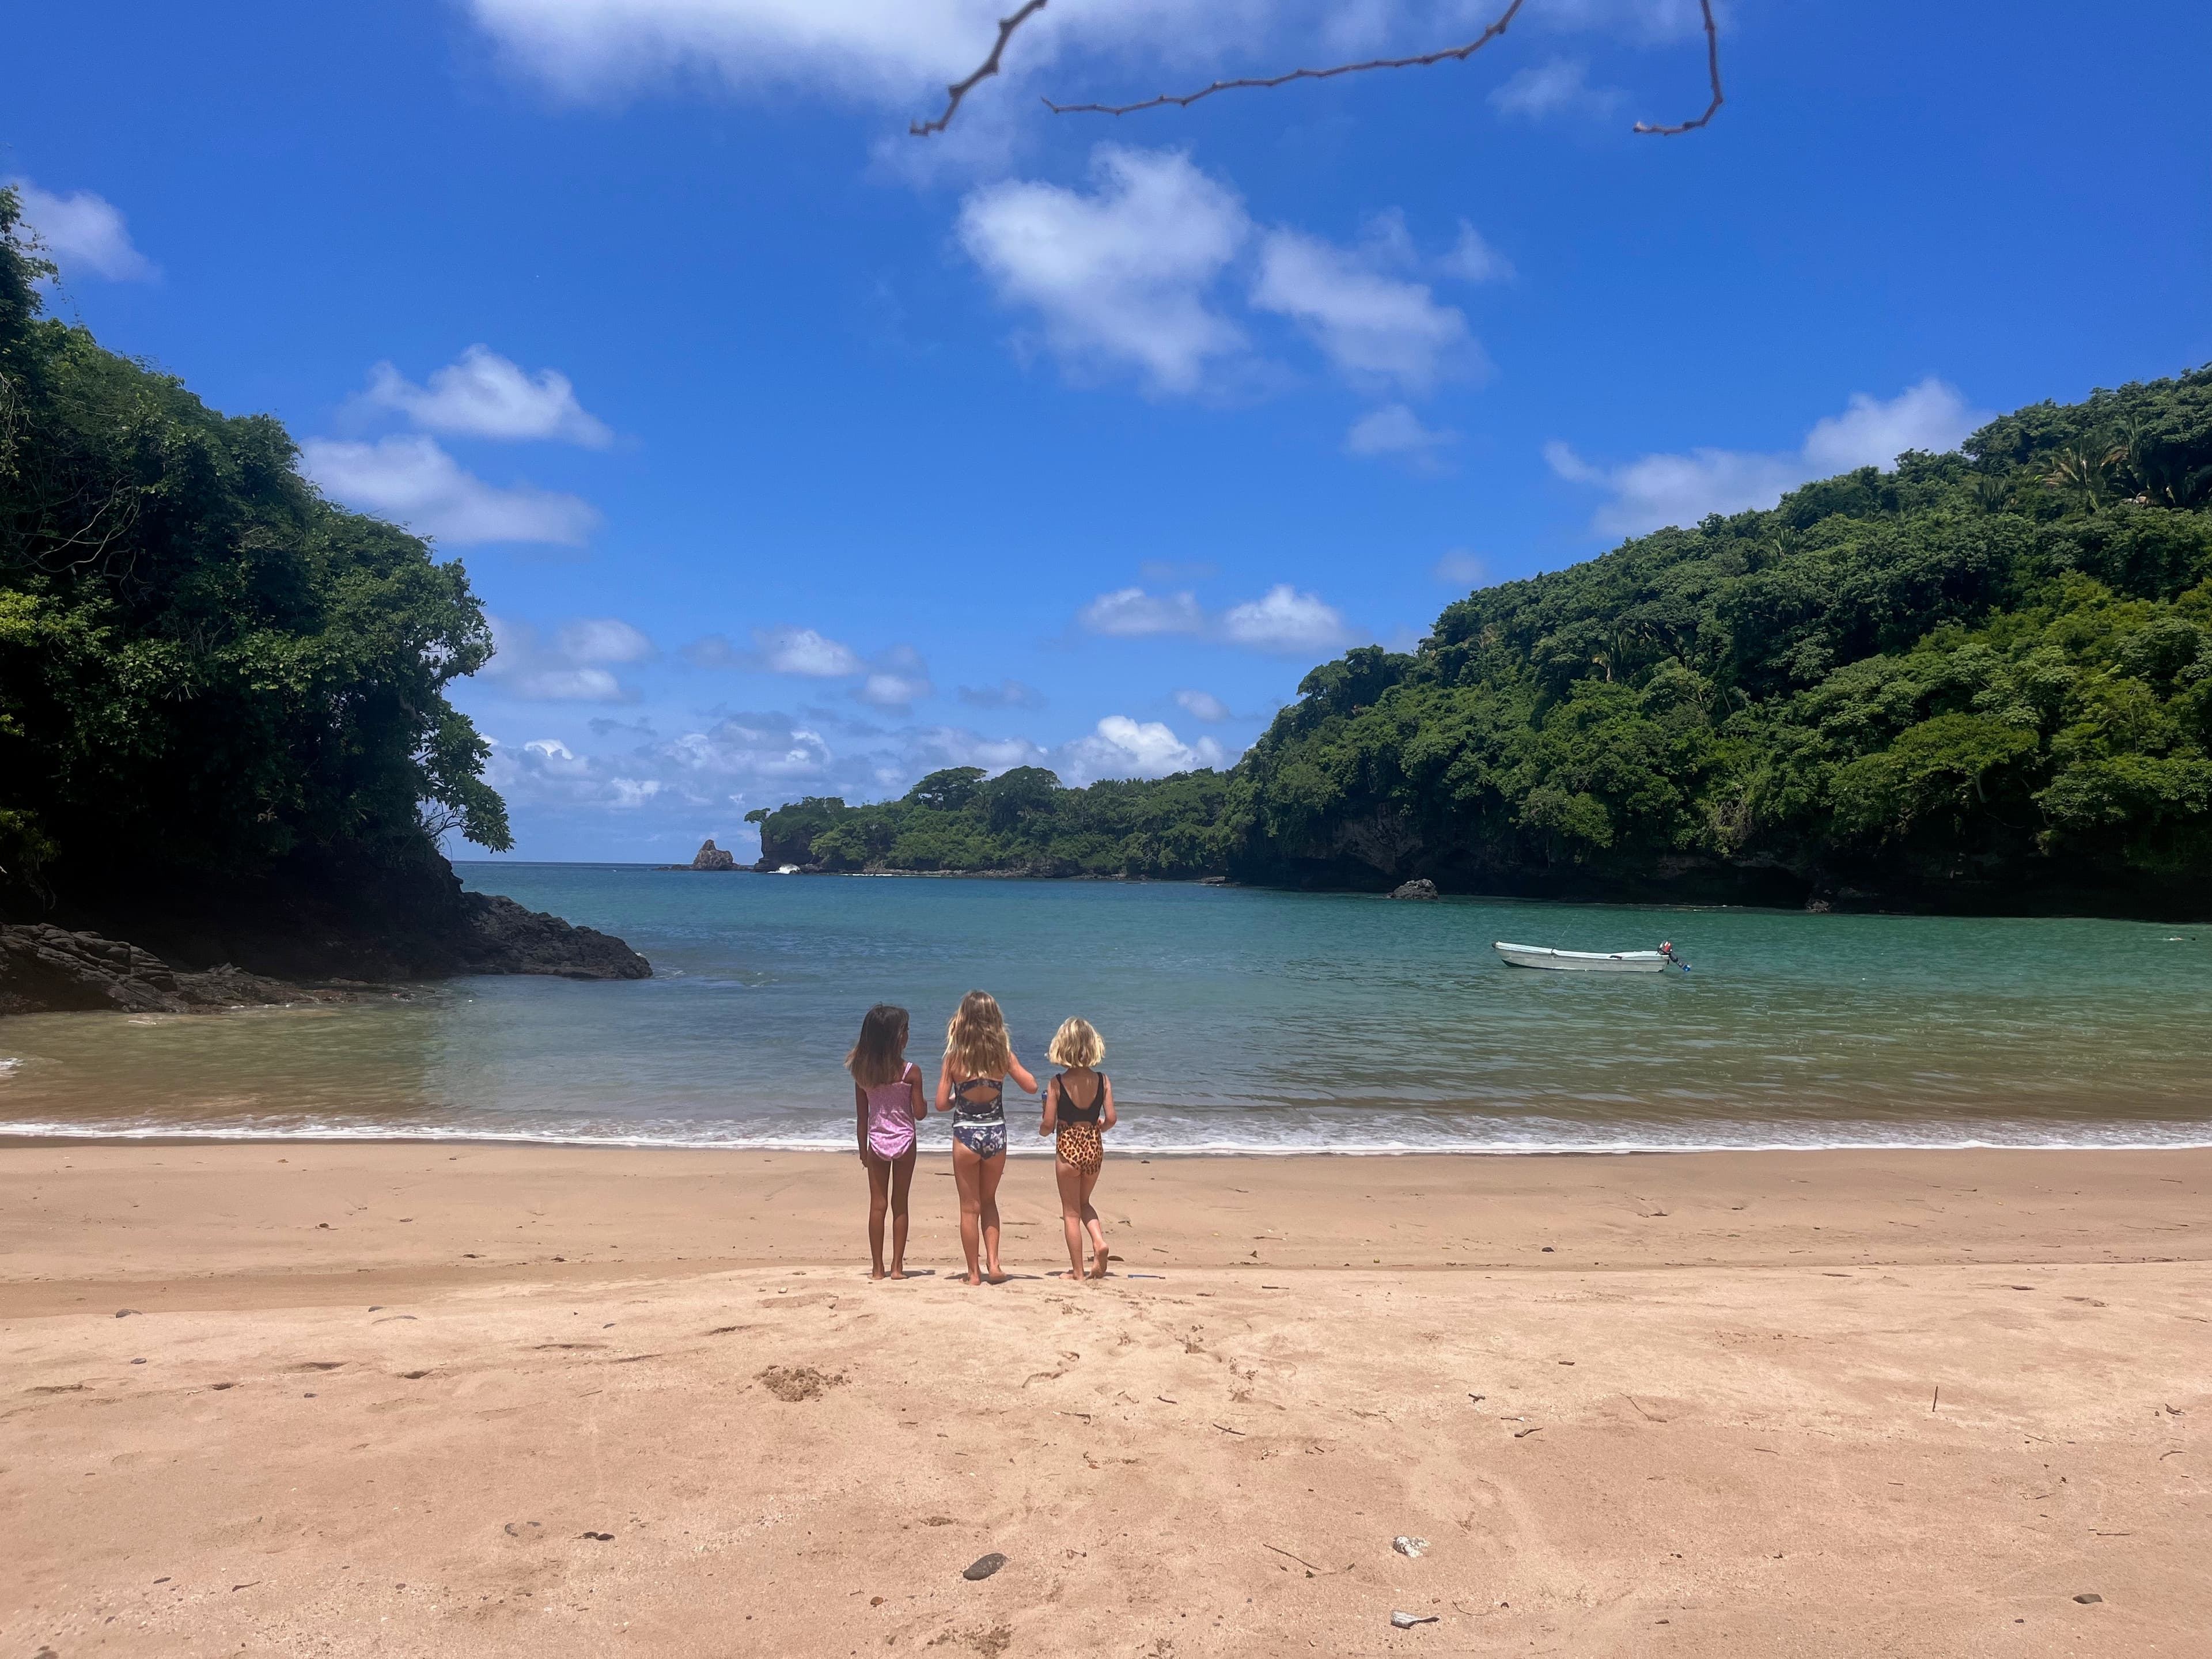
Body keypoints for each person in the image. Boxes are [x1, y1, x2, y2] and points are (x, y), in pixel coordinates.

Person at [934, 990, 1036, 1286]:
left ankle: (973, 1273)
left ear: (962, 1021)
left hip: (966, 1134)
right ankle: (994, 1264)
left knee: (969, 1206)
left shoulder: (954, 1058)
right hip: (996, 1134)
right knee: (989, 1200)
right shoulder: (1002, 1055)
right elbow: (1031, 1086)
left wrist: (958, 1096)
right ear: (995, 1021)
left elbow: (941, 1103)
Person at [847, 1003, 924, 1281]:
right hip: (905, 1141)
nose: (908, 1035)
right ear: (896, 1038)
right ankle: (897, 1268)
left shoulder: (862, 1074)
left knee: (877, 1205)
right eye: (905, 1030)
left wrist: (862, 1150)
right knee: (900, 1203)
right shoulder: (910, 1072)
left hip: (877, 1142)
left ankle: (877, 1268)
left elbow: (862, 1118)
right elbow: (920, 1113)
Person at [1038, 1016, 1116, 1282]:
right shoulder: (1103, 1080)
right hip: (1094, 1146)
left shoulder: (1057, 1083)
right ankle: (1099, 1241)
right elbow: (1112, 1119)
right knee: (1084, 1203)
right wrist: (1099, 1128)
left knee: (1070, 1212)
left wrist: (1043, 1127)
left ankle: (1078, 1273)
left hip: (1069, 1147)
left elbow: (1048, 1125)